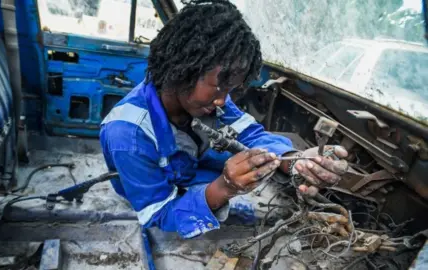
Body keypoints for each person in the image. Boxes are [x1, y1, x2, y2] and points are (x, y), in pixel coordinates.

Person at [99, 0, 348, 239]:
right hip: (155, 191)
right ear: (182, 69)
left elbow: (250, 134)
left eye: (230, 90)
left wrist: (295, 161)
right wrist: (225, 188)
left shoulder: (212, 97)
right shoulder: (126, 134)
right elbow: (160, 213)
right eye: (219, 88)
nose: (222, 101)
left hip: (192, 172)